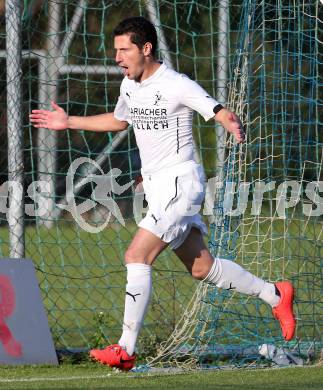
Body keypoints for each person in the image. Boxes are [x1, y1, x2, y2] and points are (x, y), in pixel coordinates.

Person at [30, 16, 296, 371]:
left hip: (181, 185)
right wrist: (70, 122)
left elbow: (214, 108)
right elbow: (120, 120)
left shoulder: (175, 83)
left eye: (125, 50)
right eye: (116, 51)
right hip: (159, 188)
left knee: (136, 254)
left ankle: (125, 348)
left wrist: (228, 120)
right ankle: (275, 294)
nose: (118, 57)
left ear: (146, 48)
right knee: (203, 268)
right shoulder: (129, 86)